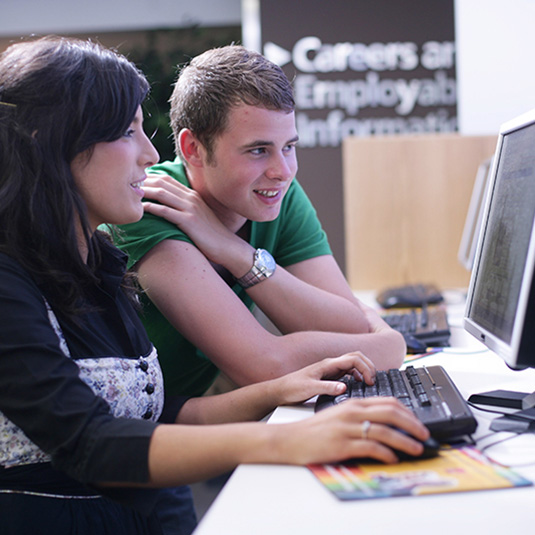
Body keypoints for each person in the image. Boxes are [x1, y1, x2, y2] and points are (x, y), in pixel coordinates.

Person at [0, 36, 430, 535]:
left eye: (288, 147)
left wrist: (277, 390)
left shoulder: (99, 261)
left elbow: (160, 415)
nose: (148, 152)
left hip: (146, 501)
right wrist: (289, 439)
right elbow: (88, 443)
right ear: (50, 143)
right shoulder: (18, 280)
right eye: (126, 133)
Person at [115, 45, 407, 402]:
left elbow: (349, 324)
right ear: (192, 149)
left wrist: (237, 253)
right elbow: (265, 366)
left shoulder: (276, 193)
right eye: (258, 150)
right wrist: (389, 345)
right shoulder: (149, 205)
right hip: (139, 440)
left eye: (289, 147)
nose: (282, 171)